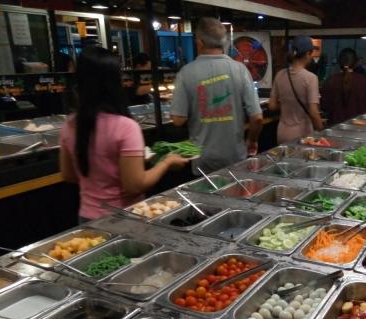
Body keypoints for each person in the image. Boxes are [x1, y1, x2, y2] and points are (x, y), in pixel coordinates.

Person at [59, 47, 187, 223]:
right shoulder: (126, 127)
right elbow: (135, 185)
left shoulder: (70, 125)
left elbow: (69, 175)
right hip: (125, 217)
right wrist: (166, 162)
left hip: (87, 217)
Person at [170, 17, 263, 173]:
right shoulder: (240, 70)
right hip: (235, 156)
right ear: (224, 43)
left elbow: (178, 120)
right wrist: (252, 141)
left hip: (202, 159)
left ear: (199, 42)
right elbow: (257, 118)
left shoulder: (185, 73)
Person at [269, 35, 324, 143]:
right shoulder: (311, 78)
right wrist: (322, 131)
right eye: (311, 53)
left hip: (282, 133)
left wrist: (287, 103)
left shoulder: (279, 75)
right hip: (302, 135)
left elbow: (272, 106)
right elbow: (313, 112)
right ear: (307, 54)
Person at [321, 47, 366, 125]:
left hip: (334, 127)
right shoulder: (363, 81)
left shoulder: (331, 80)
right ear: (355, 63)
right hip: (358, 127)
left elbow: (324, 106)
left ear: (339, 62)